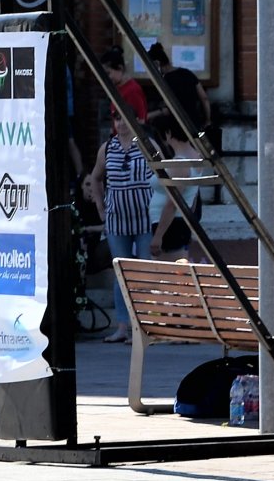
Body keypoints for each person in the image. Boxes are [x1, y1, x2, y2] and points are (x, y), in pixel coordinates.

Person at [84, 110, 154, 343]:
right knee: (121, 273)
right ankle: (123, 326)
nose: (122, 123)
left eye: (126, 118)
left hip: (144, 218)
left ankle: (142, 326)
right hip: (117, 219)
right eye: (118, 119)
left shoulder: (146, 144)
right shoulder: (107, 148)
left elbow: (161, 172)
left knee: (143, 272)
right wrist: (101, 210)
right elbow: (95, 177)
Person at [147, 112, 207, 263]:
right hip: (179, 222)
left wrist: (158, 236)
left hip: (169, 225)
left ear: (168, 133)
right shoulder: (196, 157)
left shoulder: (180, 163)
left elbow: (173, 203)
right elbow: (192, 198)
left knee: (168, 275)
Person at [145, 42, 212, 136]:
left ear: (157, 63)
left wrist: (148, 116)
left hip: (177, 129)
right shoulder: (187, 73)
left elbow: (168, 110)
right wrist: (208, 121)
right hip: (195, 125)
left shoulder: (165, 82)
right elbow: (204, 98)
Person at [100, 45, 149, 122]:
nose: (106, 78)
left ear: (120, 68)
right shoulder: (120, 88)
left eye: (108, 73)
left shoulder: (132, 91)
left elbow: (140, 121)